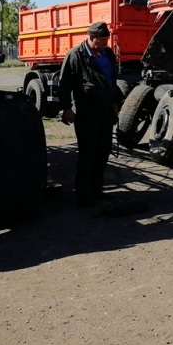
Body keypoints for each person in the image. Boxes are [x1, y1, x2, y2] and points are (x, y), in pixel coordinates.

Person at [58, 21, 123, 207]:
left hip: (106, 111)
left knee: (103, 151)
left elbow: (111, 81)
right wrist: (67, 108)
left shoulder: (107, 53)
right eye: (100, 41)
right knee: (88, 153)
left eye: (106, 40)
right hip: (87, 112)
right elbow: (65, 84)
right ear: (90, 38)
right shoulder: (75, 55)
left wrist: (115, 103)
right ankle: (83, 195)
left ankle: (96, 191)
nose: (104, 44)